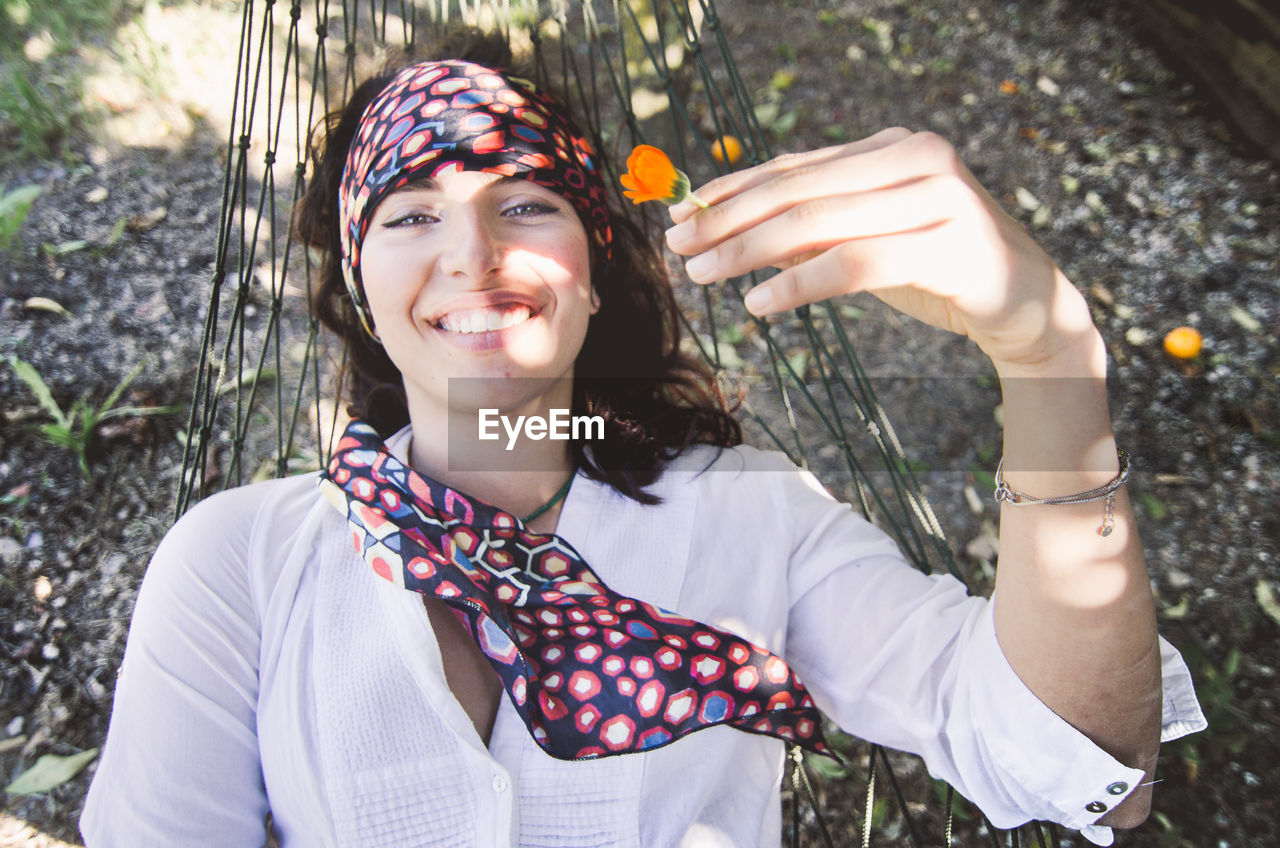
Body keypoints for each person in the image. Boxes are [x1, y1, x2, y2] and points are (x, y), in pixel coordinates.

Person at [80, 28, 1204, 847]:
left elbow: (1088, 766)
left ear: (594, 273)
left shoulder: (751, 517)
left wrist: (1050, 360)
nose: (471, 250)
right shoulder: (236, 562)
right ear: (361, 291)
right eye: (410, 212)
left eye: (526, 202)